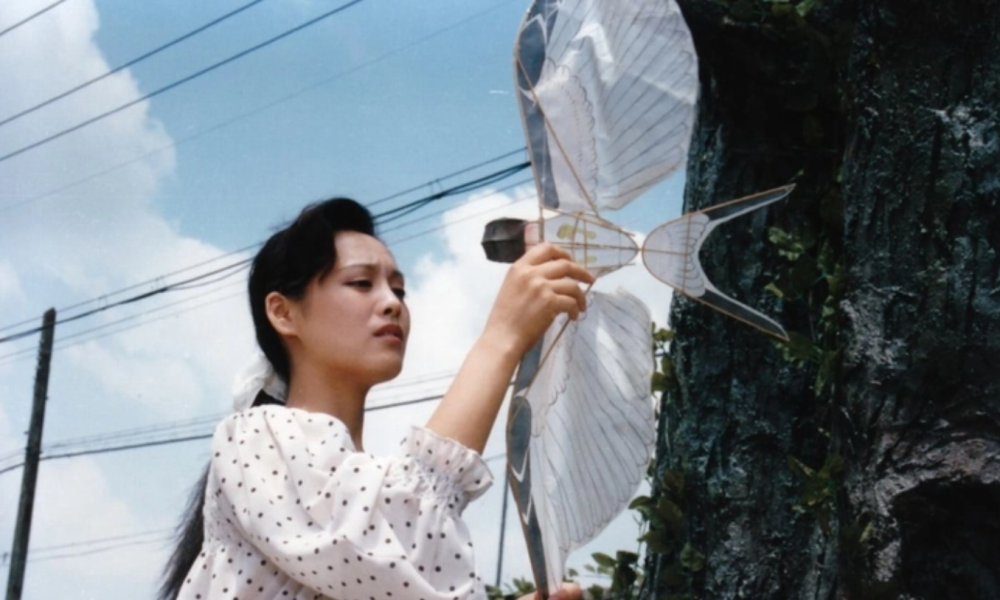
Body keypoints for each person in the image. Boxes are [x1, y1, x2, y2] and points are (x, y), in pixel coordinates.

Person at [159, 198, 591, 600]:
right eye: (362, 283)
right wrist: (501, 339)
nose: (391, 303)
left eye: (399, 290)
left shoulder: (358, 486)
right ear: (283, 312)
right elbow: (396, 541)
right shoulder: (254, 438)